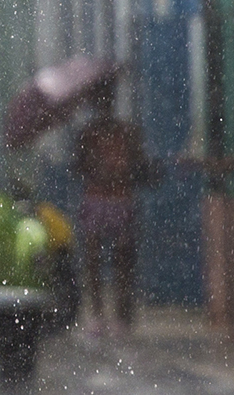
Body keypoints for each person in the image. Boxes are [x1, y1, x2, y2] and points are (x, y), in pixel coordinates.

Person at [74, 106, 159, 335]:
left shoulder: (128, 132)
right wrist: (92, 162)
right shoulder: (87, 133)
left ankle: (121, 314)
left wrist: (126, 169)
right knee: (93, 258)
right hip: (95, 199)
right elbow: (78, 167)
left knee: (123, 258)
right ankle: (98, 314)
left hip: (121, 200)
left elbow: (140, 167)